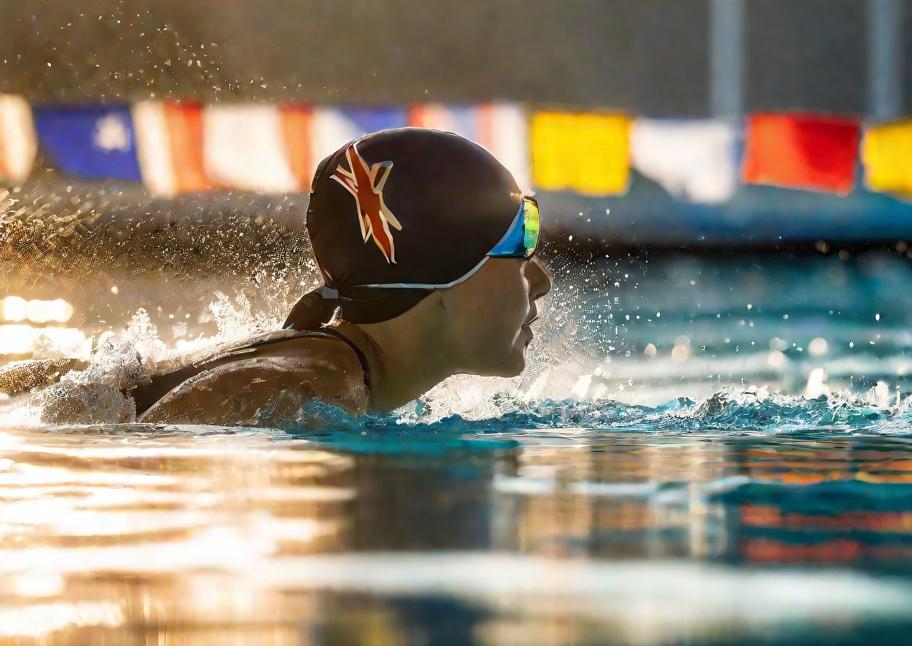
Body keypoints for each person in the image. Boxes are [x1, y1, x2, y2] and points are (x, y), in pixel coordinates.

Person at [0, 128, 550, 425]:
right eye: (518, 248)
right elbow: (130, 454)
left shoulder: (331, 370)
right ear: (441, 275)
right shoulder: (312, 388)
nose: (541, 278)